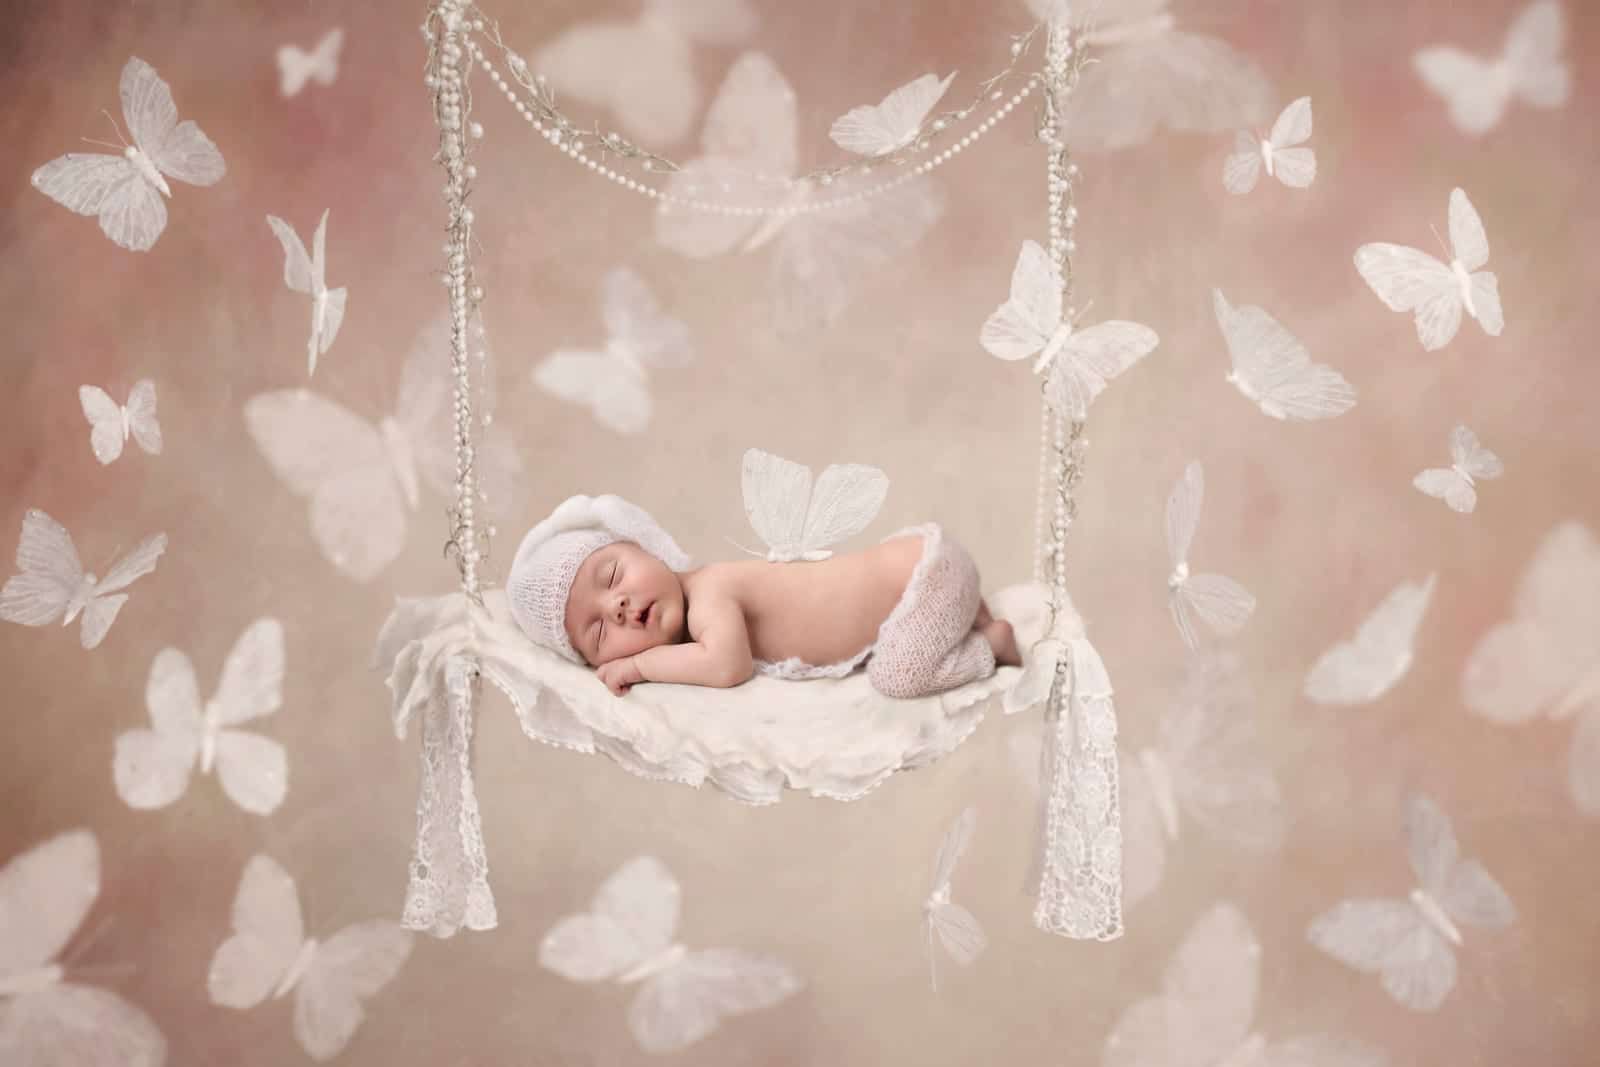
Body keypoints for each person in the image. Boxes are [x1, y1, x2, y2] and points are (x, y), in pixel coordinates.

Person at [506, 495, 1020, 698]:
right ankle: (963, 617)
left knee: (897, 677)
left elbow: (727, 666)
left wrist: (638, 666)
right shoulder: (699, 606)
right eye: (599, 630)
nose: (616, 606)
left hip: (928, 575)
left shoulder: (711, 591)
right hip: (915, 574)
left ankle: (990, 644)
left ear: (644, 548)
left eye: (613, 574)